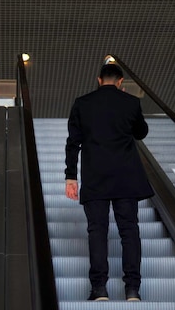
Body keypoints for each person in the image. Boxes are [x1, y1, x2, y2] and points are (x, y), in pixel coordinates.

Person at [65, 63, 154, 302]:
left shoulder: (82, 103)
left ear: (98, 79)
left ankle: (99, 289)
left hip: (95, 176)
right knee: (129, 231)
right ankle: (132, 290)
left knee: (97, 231)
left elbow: (73, 142)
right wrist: (127, 107)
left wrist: (70, 176)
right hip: (127, 176)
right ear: (120, 81)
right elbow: (141, 132)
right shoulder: (131, 103)